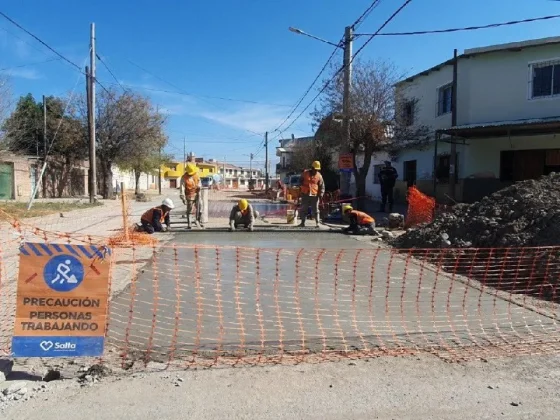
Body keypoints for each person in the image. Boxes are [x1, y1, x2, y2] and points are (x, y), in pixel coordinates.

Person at [299, 161, 325, 227]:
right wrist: (300, 189)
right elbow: (300, 181)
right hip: (305, 194)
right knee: (304, 209)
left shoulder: (319, 176)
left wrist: (321, 194)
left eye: (317, 169)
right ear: (312, 168)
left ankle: (317, 223)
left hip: (314, 195)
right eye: (315, 169)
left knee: (316, 209)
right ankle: (302, 222)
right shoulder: (305, 174)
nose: (316, 171)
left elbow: (322, 186)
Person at [180, 163, 201, 229]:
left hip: (197, 194)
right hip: (189, 195)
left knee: (200, 208)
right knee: (190, 210)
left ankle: (198, 221)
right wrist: (183, 197)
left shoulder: (196, 175)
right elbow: (182, 188)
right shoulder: (184, 177)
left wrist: (199, 187)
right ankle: (189, 224)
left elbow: (200, 183)